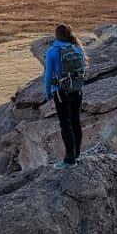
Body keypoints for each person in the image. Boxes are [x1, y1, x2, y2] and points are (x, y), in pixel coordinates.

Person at [44, 23, 86, 168]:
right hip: (77, 90)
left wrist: (48, 91)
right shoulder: (78, 49)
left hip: (61, 92)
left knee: (65, 124)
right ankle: (77, 154)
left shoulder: (52, 51)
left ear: (56, 35)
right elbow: (82, 71)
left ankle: (70, 160)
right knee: (76, 122)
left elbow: (48, 74)